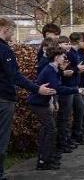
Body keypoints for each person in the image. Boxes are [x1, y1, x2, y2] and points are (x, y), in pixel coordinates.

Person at [1, 17, 56, 179]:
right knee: (2, 137)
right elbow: (15, 76)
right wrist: (37, 88)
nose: (12, 34)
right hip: (4, 98)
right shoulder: (4, 49)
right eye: (12, 30)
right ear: (5, 29)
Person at [27, 46, 83, 170]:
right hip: (38, 103)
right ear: (57, 57)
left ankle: (45, 158)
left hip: (42, 102)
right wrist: (76, 90)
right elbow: (58, 88)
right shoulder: (50, 70)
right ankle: (44, 161)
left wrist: (53, 101)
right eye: (63, 57)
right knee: (50, 129)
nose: (65, 59)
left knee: (47, 130)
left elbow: (53, 88)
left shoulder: (54, 69)